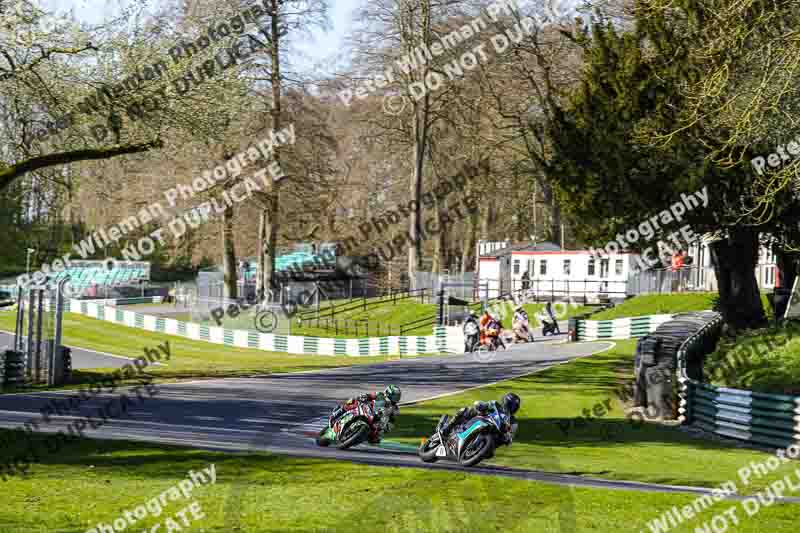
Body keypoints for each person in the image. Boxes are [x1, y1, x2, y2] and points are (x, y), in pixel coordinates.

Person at [319, 385, 402, 446]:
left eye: (397, 397)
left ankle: (354, 437)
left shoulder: (395, 409)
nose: (396, 399)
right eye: (395, 396)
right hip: (368, 409)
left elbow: (392, 422)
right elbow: (370, 395)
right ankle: (339, 411)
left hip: (376, 422)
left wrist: (386, 428)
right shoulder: (380, 395)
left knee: (375, 439)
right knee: (353, 401)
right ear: (388, 393)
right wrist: (364, 397)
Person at [440, 393, 521, 442]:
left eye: (514, 406)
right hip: (483, 420)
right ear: (505, 402)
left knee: (490, 453)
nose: (512, 408)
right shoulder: (496, 404)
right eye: (511, 405)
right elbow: (485, 404)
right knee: (466, 410)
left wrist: (508, 437)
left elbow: (511, 434)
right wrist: (481, 405)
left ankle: (475, 450)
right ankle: (448, 428)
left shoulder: (513, 421)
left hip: (495, 434)